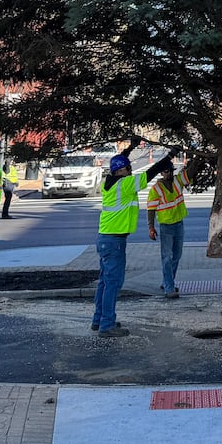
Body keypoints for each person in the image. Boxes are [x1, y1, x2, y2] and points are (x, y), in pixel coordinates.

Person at [92, 141, 174, 338]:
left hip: (105, 238)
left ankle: (99, 319)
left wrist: (130, 148)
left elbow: (118, 162)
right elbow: (150, 173)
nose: (131, 170)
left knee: (104, 281)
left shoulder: (108, 183)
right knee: (113, 282)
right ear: (122, 170)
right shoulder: (125, 184)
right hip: (114, 241)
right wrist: (168, 158)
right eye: (128, 168)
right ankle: (107, 325)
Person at [147, 155, 206, 299]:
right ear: (161, 173)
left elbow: (190, 173)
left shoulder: (178, 181)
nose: (169, 174)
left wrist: (198, 159)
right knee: (167, 257)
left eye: (171, 171)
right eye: (166, 171)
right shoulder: (156, 189)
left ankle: (168, 281)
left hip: (179, 223)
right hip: (166, 226)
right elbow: (151, 210)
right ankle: (169, 287)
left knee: (176, 255)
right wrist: (151, 227)